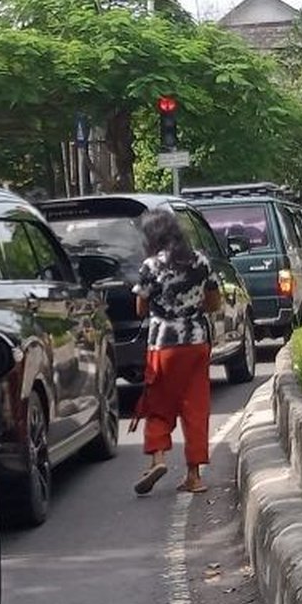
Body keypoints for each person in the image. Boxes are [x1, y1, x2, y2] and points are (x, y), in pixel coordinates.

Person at [131, 209, 221, 495]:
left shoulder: (150, 266)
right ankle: (195, 477)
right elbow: (214, 301)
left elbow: (141, 308)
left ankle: (158, 459)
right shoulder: (200, 260)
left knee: (158, 402)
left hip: (163, 345)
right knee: (196, 406)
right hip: (197, 342)